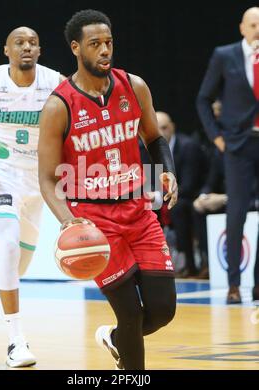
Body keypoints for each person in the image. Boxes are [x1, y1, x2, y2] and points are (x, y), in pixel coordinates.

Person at [38, 9, 178, 370]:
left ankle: (114, 339)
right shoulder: (59, 105)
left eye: (108, 43)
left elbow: (153, 138)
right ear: (76, 48)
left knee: (162, 311)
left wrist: (167, 173)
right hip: (95, 222)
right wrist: (70, 222)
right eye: (95, 44)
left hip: (138, 211)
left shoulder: (134, 86)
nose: (104, 50)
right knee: (130, 314)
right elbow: (48, 179)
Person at [0, 27, 65, 367]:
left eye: (33, 42)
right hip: (0, 176)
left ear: (40, 49)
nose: (26, 47)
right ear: (7, 50)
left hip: (38, 183)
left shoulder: (55, 83)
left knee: (16, 269)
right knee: (6, 245)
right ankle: (16, 341)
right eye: (19, 43)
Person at [197, 7, 259, 303]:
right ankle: (234, 284)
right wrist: (217, 137)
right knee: (238, 212)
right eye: (253, 24)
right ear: (242, 28)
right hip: (238, 144)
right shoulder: (226, 55)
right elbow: (203, 99)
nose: (258, 30)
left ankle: (258, 283)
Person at [155, 111, 207, 277]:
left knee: (178, 209)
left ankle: (190, 264)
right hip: (164, 197)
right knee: (144, 208)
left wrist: (164, 196)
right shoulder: (147, 149)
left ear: (172, 127)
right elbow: (150, 182)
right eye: (157, 128)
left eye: (164, 128)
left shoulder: (188, 146)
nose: (161, 132)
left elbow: (189, 185)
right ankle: (154, 265)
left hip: (189, 196)